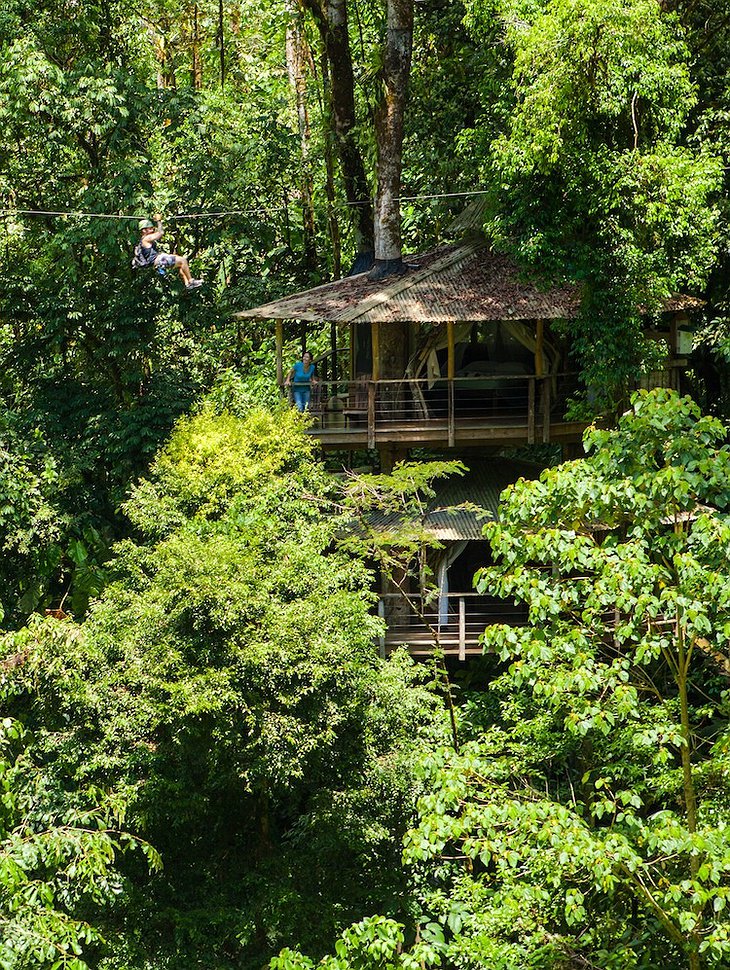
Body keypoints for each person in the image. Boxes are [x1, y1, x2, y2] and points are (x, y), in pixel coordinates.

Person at [132, 214, 202, 289]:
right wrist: (159, 221)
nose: (153, 230)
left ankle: (187, 283)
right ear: (144, 230)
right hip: (159, 261)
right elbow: (160, 233)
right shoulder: (147, 238)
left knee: (181, 263)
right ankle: (191, 281)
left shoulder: (142, 240)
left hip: (158, 261)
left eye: (153, 228)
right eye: (150, 228)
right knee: (183, 260)